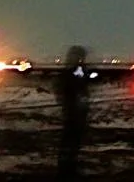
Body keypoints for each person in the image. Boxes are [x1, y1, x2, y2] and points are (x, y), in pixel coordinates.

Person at [55, 45, 90, 180]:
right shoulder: (68, 73)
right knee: (69, 142)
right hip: (72, 111)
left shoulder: (77, 70)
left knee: (74, 142)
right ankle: (65, 171)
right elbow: (64, 91)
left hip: (78, 111)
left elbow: (84, 80)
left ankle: (70, 169)